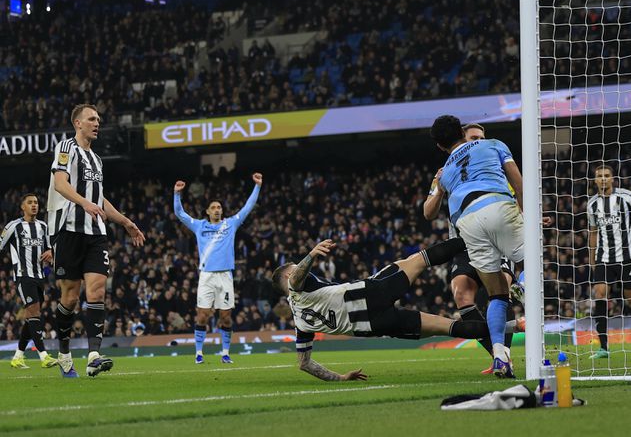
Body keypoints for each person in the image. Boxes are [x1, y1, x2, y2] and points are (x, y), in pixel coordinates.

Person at [272, 237, 499, 381]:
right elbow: (297, 278)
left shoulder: (300, 323)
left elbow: (304, 363)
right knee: (418, 261)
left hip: (375, 326)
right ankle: (474, 238)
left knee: (448, 327)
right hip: (368, 296)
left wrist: (341, 378)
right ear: (290, 275)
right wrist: (312, 254)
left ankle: (510, 330)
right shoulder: (296, 284)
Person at [47, 104, 146, 378]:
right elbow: (60, 184)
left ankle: (93, 356)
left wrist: (125, 222)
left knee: (97, 291)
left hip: (96, 233)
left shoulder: (97, 160)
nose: (97, 123)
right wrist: (85, 203)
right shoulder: (66, 148)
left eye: (98, 119)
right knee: (69, 298)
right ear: (78, 123)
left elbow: (99, 198)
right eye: (91, 119)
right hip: (69, 231)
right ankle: (64, 354)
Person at [430, 114, 524, 377]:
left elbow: (435, 209)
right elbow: (518, 184)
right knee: (531, 260)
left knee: (496, 295)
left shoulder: (444, 172)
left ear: (440, 145)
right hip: (497, 204)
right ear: (462, 133)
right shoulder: (493, 145)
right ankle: (524, 287)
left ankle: (500, 357)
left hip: (467, 222)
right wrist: (529, 215)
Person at [174, 173, 262, 364]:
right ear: (207, 211)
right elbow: (180, 214)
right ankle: (199, 353)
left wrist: (257, 186)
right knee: (202, 315)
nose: (216, 210)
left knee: (226, 317)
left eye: (219, 207)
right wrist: (177, 194)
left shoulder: (230, 224)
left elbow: (248, 207)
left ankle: (225, 353)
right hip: (206, 276)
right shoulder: (199, 226)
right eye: (213, 207)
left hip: (225, 276)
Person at [587, 164, 631, 359]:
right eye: (599, 176)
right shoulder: (592, 204)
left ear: (613, 178)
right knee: (600, 295)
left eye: (606, 175)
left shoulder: (628, 196)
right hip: (603, 258)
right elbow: (593, 233)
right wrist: (592, 260)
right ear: (595, 180)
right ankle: (603, 347)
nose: (603, 179)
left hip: (628, 258)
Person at [1, 194, 58, 369]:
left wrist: (50, 252)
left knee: (32, 316)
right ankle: (44, 356)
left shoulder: (43, 226)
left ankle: (18, 357)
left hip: (39, 276)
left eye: (36, 203)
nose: (34, 205)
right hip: (23, 275)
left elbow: (49, 248)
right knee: (34, 313)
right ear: (22, 207)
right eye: (30, 203)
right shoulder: (13, 226)